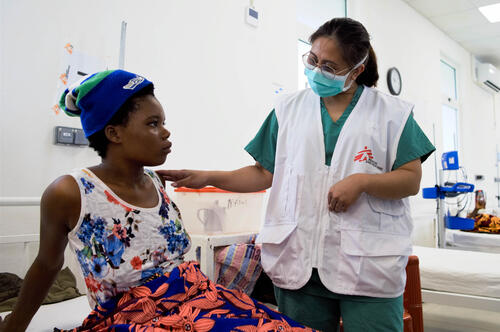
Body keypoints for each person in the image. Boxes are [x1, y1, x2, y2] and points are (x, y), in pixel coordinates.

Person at [159, 17, 436, 332]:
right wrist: (207, 177)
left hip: (368, 266)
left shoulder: (391, 115)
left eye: (330, 67)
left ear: (356, 70)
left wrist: (363, 182)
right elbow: (263, 173)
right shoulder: (287, 109)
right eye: (313, 60)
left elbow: (411, 179)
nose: (317, 71)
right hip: (299, 262)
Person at [0, 70, 316, 332]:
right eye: (153, 124)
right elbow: (47, 264)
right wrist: (14, 326)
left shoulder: (153, 181)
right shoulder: (70, 192)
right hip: (135, 315)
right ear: (113, 133)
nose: (165, 133)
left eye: (162, 122)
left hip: (197, 297)